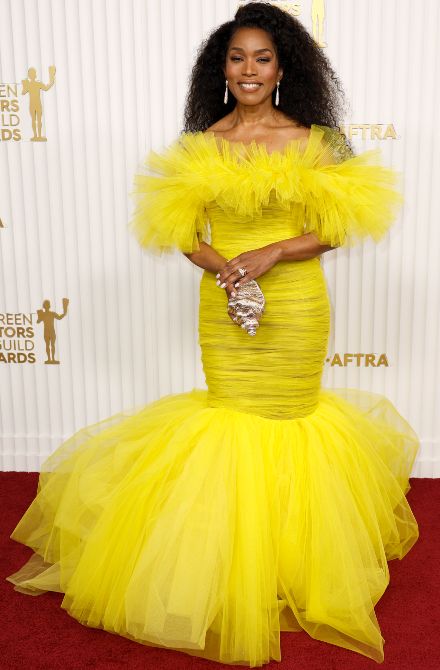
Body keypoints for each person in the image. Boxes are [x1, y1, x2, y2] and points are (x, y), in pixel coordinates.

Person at [7, 4, 417, 666]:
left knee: (290, 420)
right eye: (237, 58)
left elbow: (341, 227)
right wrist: (223, 265)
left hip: (295, 305)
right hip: (226, 303)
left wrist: (276, 252)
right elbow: (182, 234)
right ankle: (226, 566)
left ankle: (289, 569)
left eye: (262, 57)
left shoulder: (319, 140)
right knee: (231, 421)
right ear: (219, 69)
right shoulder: (197, 144)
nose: (249, 70)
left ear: (283, 66)